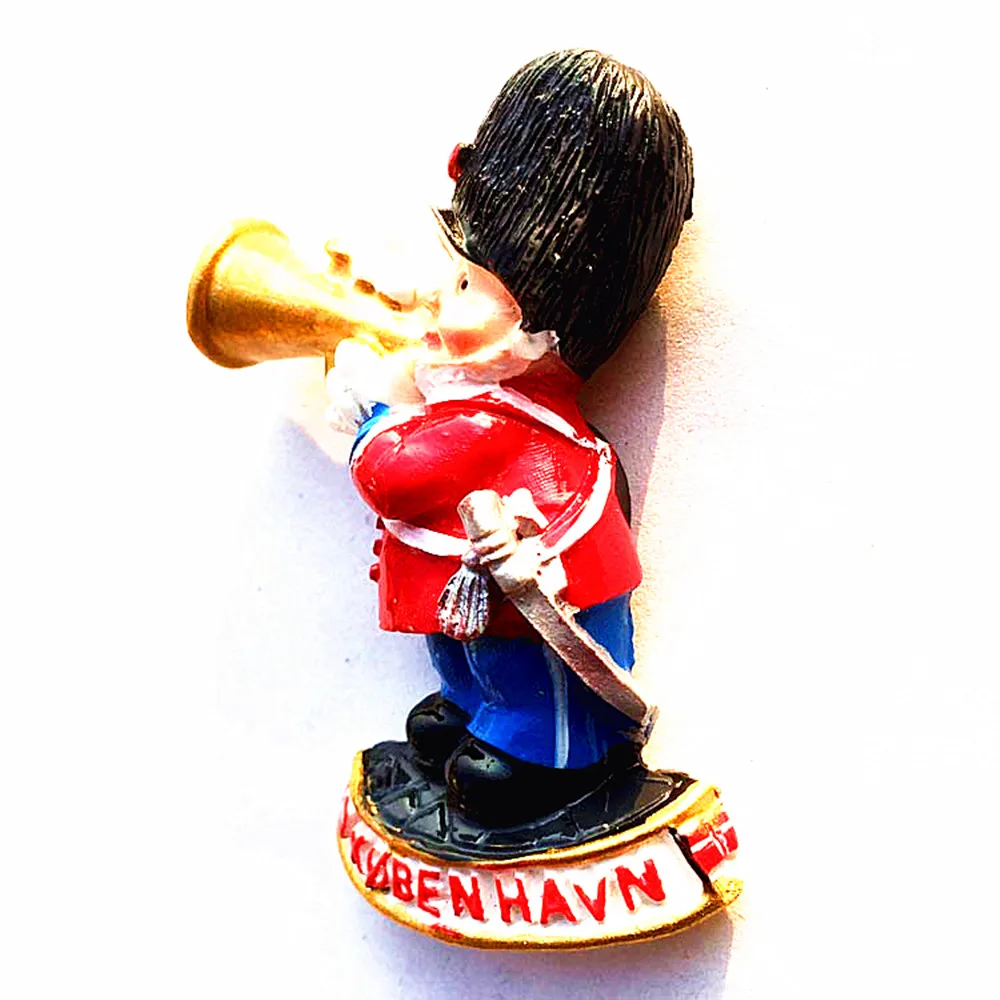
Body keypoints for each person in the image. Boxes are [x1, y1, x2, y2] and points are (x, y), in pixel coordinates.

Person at [336, 48, 694, 827]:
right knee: (467, 651)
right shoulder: (477, 404)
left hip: (535, 605)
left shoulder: (493, 423)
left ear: (536, 329)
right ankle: (474, 708)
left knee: (529, 671)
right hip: (480, 598)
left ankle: (539, 750)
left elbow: (394, 477)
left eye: (467, 284)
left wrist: (368, 416)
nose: (439, 294)